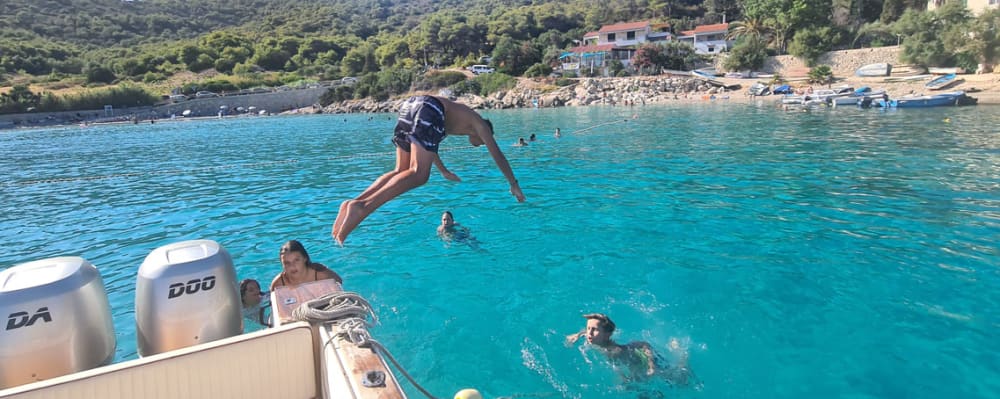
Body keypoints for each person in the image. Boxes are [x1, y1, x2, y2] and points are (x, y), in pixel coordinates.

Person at [332, 95, 525, 245]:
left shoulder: (452, 122)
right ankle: (363, 208)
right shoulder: (480, 124)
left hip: (412, 105)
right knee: (419, 175)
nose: (483, 144)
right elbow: (498, 154)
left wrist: (443, 171)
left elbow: (430, 148)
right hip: (429, 107)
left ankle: (354, 202)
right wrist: (513, 183)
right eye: (484, 141)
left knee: (401, 170)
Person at [565, 313, 691, 386]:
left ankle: (681, 355)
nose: (589, 333)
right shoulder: (595, 338)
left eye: (594, 330)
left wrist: (651, 366)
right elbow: (589, 333)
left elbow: (643, 345)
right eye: (588, 328)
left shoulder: (614, 351)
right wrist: (578, 334)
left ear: (607, 334)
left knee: (679, 378)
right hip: (635, 359)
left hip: (641, 356)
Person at [270, 240, 343, 290]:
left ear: (305, 258)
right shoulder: (279, 283)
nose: (292, 266)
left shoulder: (320, 274)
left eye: (296, 260)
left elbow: (339, 282)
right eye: (287, 263)